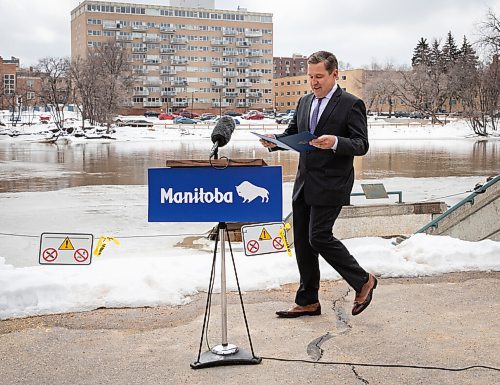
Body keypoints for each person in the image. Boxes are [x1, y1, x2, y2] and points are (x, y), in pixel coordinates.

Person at [260, 50, 377, 317]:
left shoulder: (351, 104)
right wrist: (274, 141)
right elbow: (292, 134)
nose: (314, 82)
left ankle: (363, 281)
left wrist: (335, 142)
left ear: (334, 73)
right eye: (310, 77)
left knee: (319, 236)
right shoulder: (303, 102)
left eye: (319, 77)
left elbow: (361, 145)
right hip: (304, 182)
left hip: (332, 184)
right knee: (302, 241)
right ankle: (308, 300)